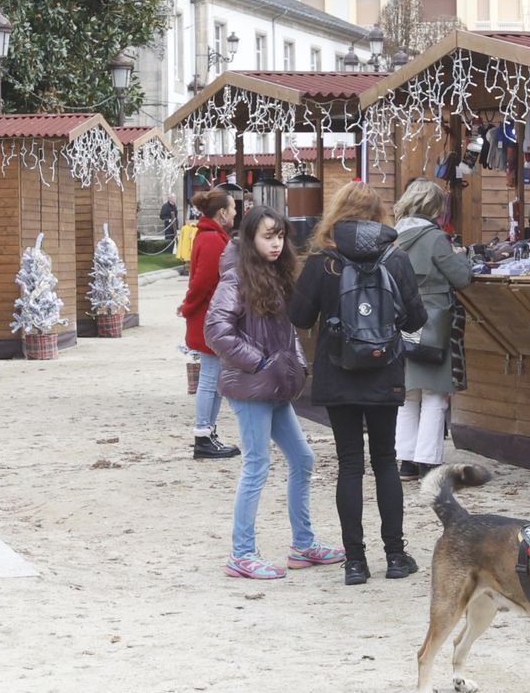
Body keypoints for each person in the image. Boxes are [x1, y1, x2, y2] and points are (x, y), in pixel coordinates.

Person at [289, 182, 428, 586]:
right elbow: (416, 318)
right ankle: (396, 556)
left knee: (349, 463)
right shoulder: (395, 257)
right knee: (385, 460)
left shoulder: (323, 260)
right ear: (379, 214)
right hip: (385, 369)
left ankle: (355, 562)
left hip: (338, 370)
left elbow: (299, 316)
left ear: (336, 212)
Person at [205, 205, 344, 580]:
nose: (277, 243)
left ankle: (303, 544)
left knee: (302, 459)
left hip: (275, 385)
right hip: (250, 388)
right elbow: (216, 331)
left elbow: (286, 331)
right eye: (268, 236)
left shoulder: (276, 276)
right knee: (256, 466)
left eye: (280, 236)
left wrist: (293, 363)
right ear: (250, 238)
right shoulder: (235, 279)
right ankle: (241, 553)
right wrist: (259, 362)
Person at [393, 179, 474, 481]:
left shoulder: (394, 236)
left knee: (409, 393)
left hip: (402, 318)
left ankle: (406, 461)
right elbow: (462, 278)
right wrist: (461, 255)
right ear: (435, 207)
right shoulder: (435, 238)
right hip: (433, 320)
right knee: (435, 393)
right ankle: (428, 461)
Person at [178, 189, 240, 460]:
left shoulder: (209, 236)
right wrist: (188, 307)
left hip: (208, 315)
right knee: (210, 378)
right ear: (222, 213)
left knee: (213, 379)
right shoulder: (213, 240)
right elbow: (203, 282)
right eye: (233, 208)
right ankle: (203, 435)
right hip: (209, 317)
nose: (236, 212)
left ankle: (208, 433)